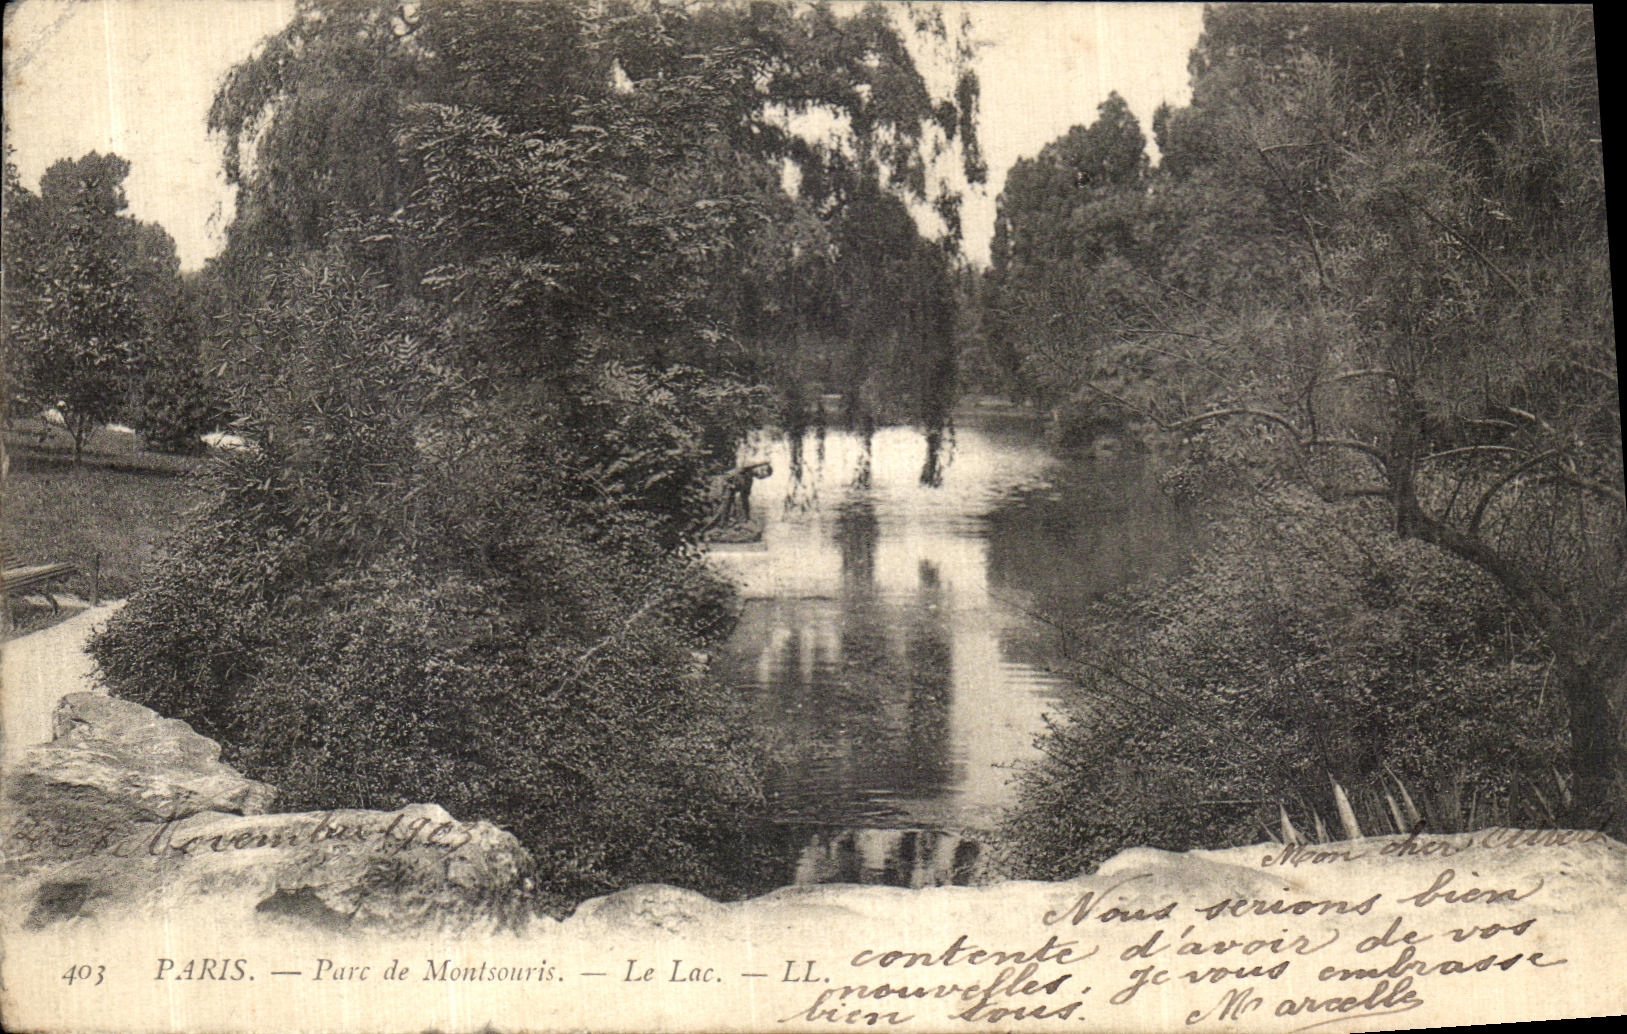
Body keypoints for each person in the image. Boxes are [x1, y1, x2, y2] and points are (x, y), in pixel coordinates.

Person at [706, 461, 773, 529]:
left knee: (723, 516)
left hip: (727, 497)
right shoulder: (741, 471)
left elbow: (744, 499)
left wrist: (746, 517)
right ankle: (704, 531)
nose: (760, 474)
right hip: (721, 492)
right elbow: (723, 479)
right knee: (718, 514)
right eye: (761, 470)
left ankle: (717, 530)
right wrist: (727, 488)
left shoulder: (748, 480)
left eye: (762, 476)